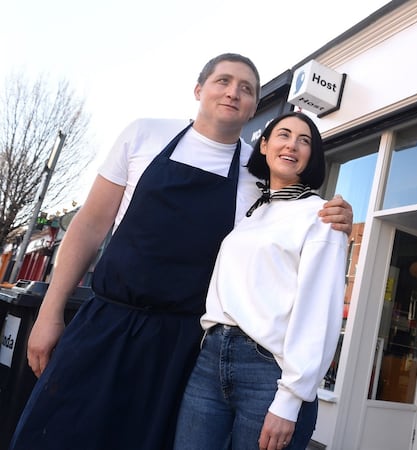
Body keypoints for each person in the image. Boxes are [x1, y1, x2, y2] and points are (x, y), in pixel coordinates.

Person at [11, 53, 353, 450]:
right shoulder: (143, 135)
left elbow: (289, 214)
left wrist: (336, 212)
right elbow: (89, 226)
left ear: (254, 108)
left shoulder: (256, 171)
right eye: (223, 81)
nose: (233, 92)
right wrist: (50, 312)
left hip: (181, 345)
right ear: (198, 89)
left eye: (246, 89)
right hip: (106, 322)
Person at [173, 111, 346, 450]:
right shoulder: (251, 208)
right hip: (209, 358)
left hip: (267, 371)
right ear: (264, 145)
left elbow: (318, 314)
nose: (292, 145)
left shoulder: (321, 215)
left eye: (304, 140)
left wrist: (291, 398)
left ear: (312, 156)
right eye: (283, 135)